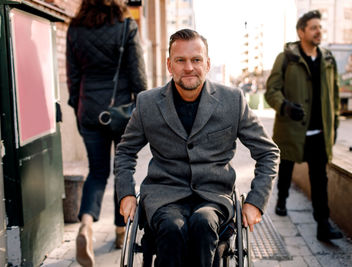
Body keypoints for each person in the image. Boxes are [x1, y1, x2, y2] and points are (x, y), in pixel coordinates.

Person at [114, 29, 279, 267]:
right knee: (172, 227)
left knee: (204, 223)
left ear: (208, 63)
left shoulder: (233, 101)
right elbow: (125, 151)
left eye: (196, 60)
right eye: (180, 60)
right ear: (169, 65)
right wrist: (127, 193)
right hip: (164, 195)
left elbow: (268, 152)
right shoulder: (148, 103)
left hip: (214, 197)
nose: (189, 67)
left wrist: (255, 202)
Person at [66, 0, 147, 265]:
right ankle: (121, 231)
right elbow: (138, 75)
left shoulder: (75, 28)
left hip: (88, 110)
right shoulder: (126, 26)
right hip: (122, 112)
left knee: (97, 171)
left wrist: (77, 108)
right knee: (122, 167)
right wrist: (143, 106)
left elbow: (73, 77)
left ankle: (86, 224)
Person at [265, 10, 342, 241]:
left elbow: (335, 94)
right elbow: (271, 90)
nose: (319, 31)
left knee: (320, 178)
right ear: (301, 32)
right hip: (292, 127)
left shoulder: (328, 59)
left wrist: (334, 123)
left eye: (320, 27)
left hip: (319, 131)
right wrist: (285, 106)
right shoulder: (286, 57)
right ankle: (281, 198)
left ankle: (322, 225)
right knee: (286, 165)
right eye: (313, 27)